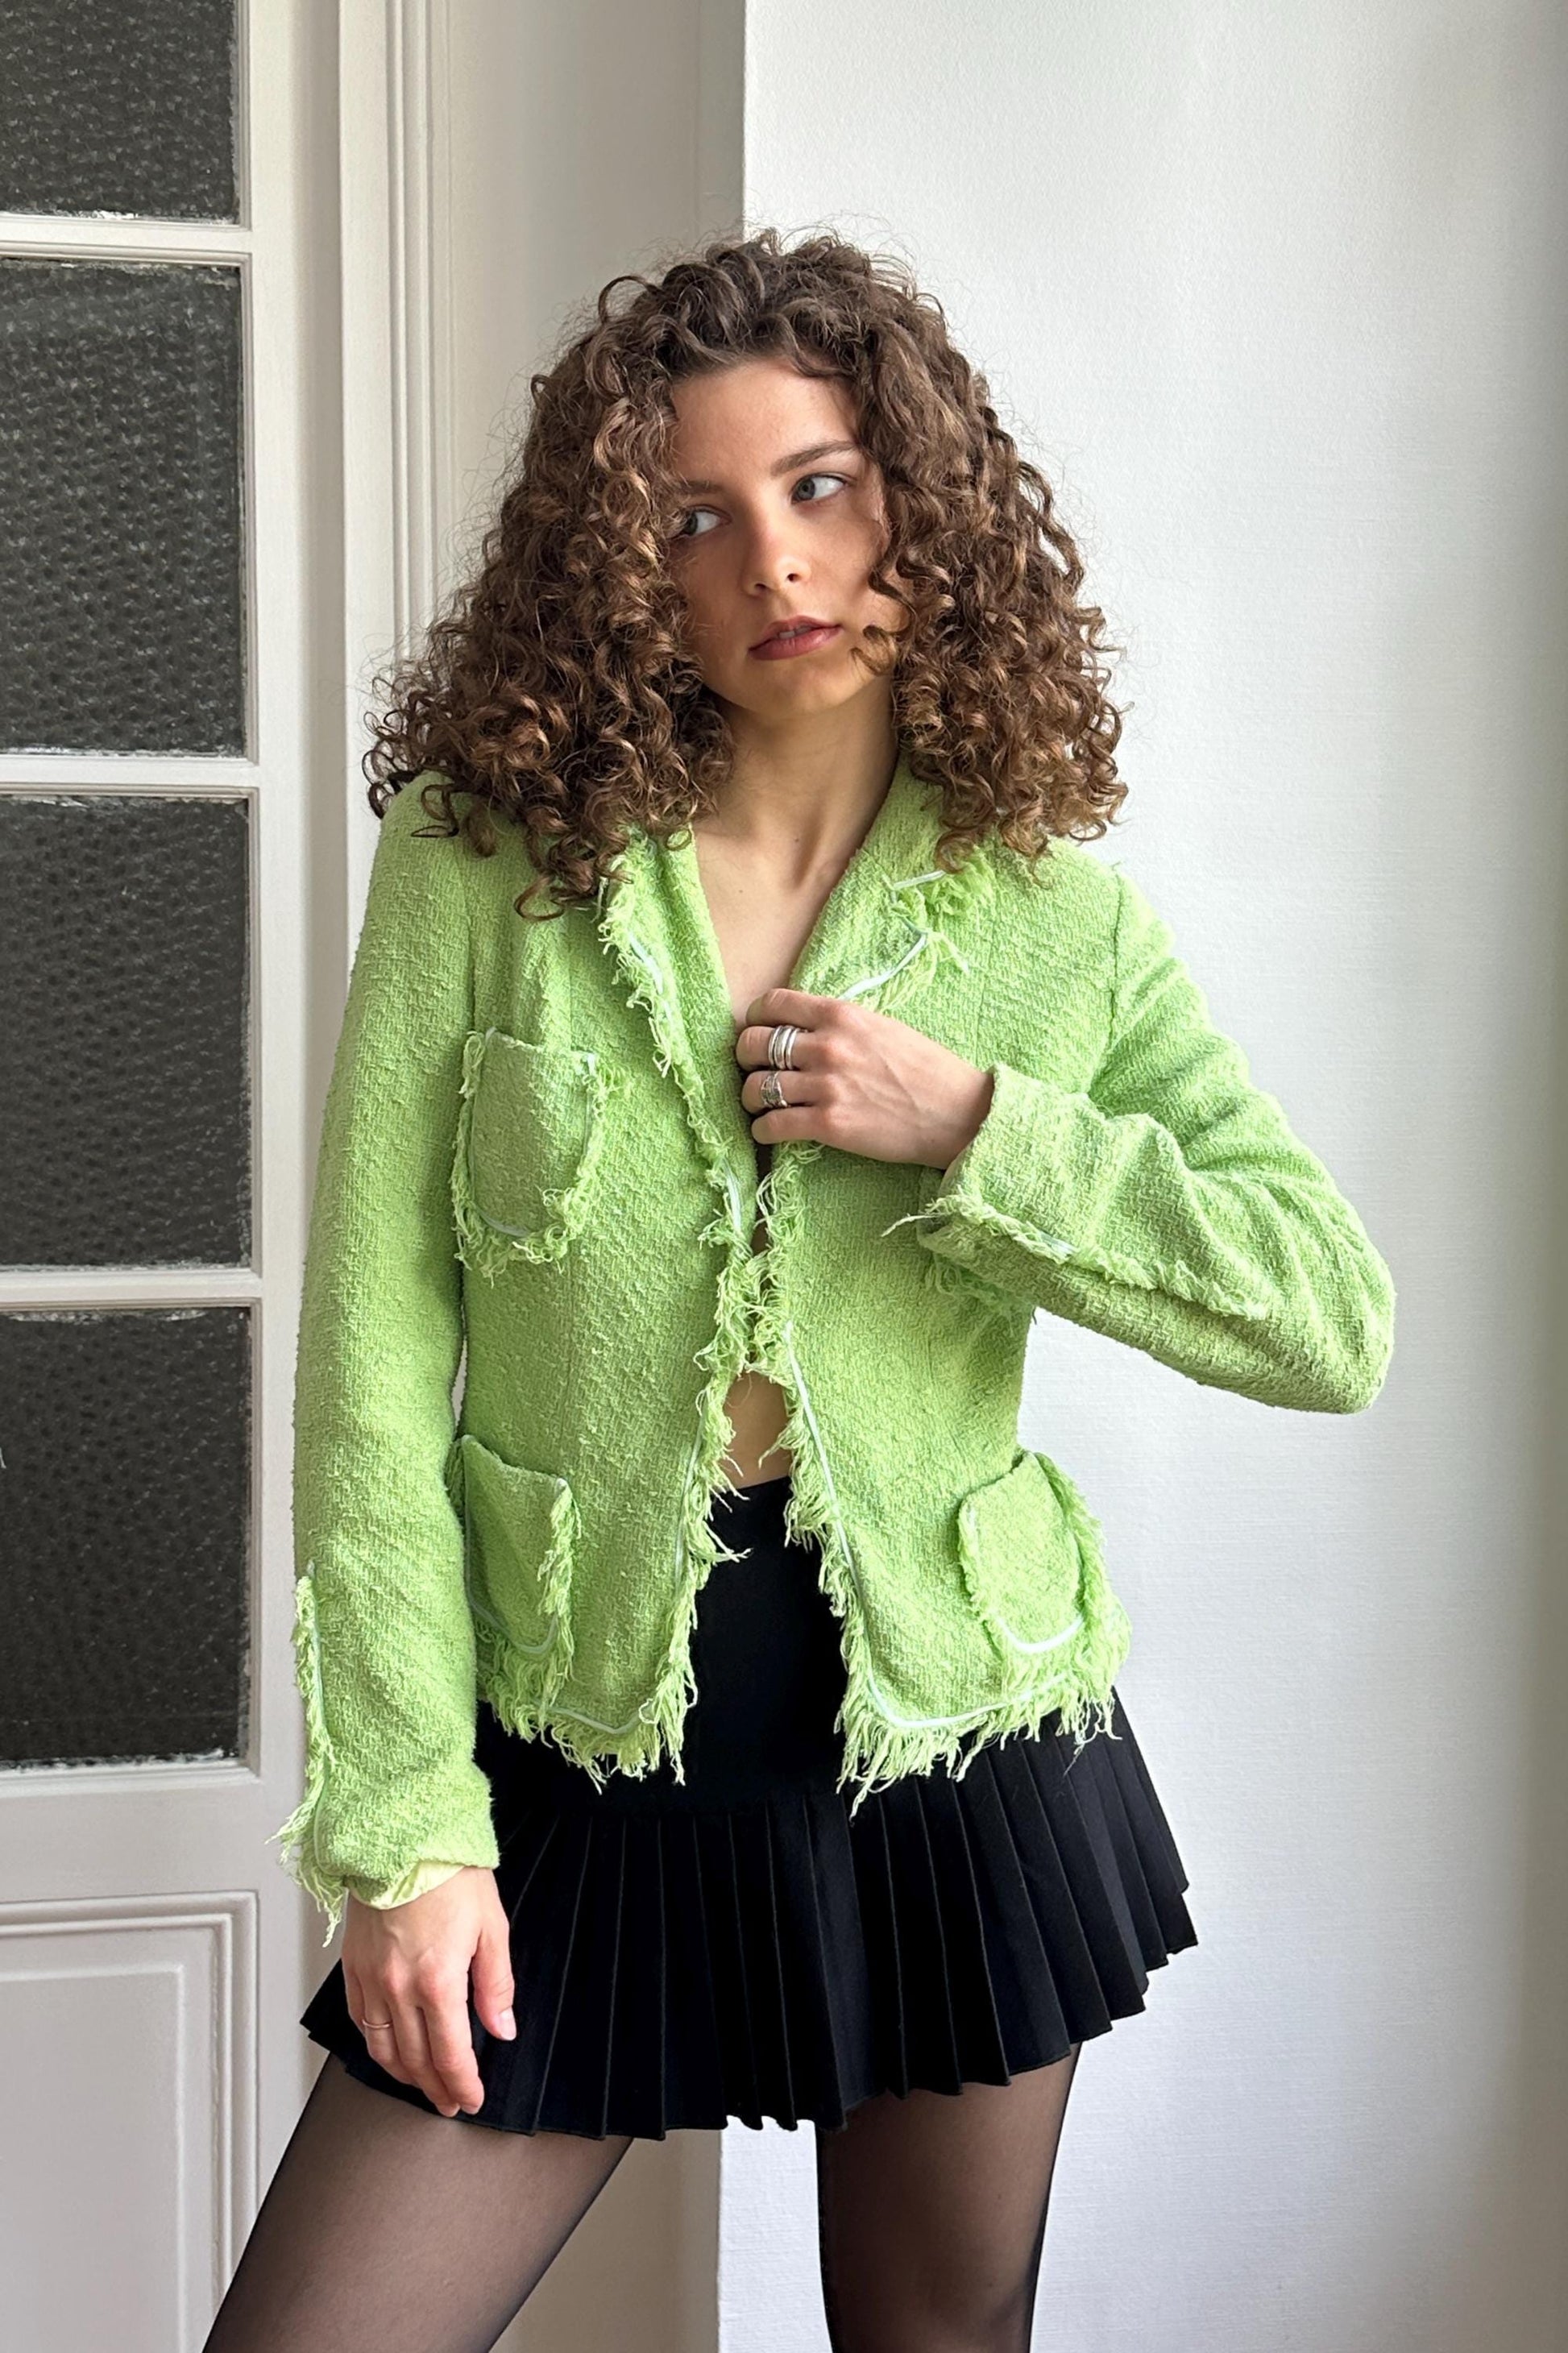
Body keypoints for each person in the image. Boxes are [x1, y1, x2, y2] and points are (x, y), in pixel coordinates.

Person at [202, 228, 1394, 2351]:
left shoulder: (1050, 919)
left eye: (823, 481)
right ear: (621, 568)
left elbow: (1323, 1319)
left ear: (916, 495)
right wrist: (399, 1830)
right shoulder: (493, 864)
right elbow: (373, 1371)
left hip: (955, 1742)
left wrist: (974, 1129)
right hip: (575, 1732)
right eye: (696, 513)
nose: (780, 559)